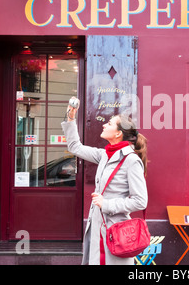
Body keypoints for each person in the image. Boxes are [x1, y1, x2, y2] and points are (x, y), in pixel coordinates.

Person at [61, 98, 148, 265]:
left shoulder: (131, 160)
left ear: (118, 133)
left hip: (116, 232)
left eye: (109, 123)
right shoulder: (104, 155)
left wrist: (107, 204)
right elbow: (74, 147)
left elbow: (140, 201)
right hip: (97, 229)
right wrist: (71, 117)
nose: (104, 125)